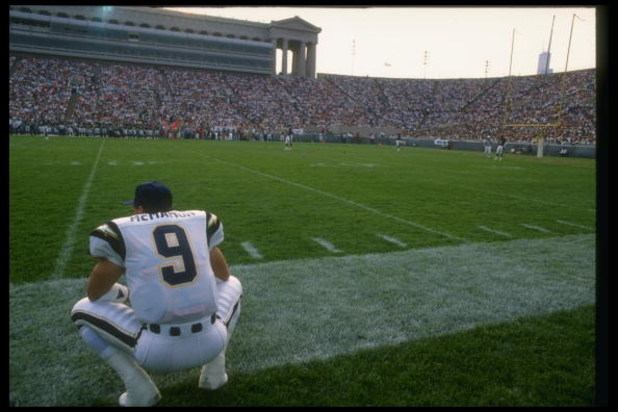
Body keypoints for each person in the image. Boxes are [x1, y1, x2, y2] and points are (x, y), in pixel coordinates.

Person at [70, 182, 242, 406]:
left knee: (81, 310)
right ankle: (215, 372)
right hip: (212, 340)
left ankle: (138, 388)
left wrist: (126, 293)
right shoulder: (199, 221)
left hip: (156, 350)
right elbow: (223, 275)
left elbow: (95, 293)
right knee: (234, 284)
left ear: (139, 209)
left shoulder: (119, 231)